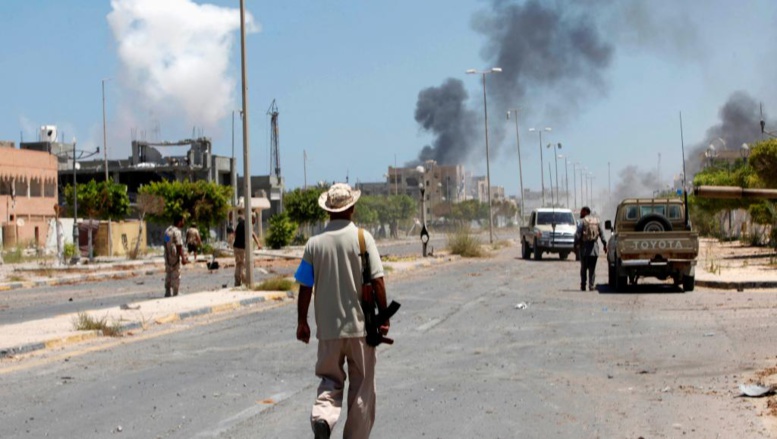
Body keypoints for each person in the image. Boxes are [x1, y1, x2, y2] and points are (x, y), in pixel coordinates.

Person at [295, 183, 390, 439]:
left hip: (328, 332)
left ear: (328, 211)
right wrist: (384, 317)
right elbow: (378, 281)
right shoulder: (363, 238)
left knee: (329, 382)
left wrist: (302, 322)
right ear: (352, 208)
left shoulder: (314, 244)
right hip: (360, 330)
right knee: (362, 390)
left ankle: (323, 419)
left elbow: (305, 287)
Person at [575, 206, 607, 291]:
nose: (580, 213)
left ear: (585, 212)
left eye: (582, 211)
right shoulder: (596, 221)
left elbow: (578, 234)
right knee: (592, 269)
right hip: (594, 250)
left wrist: (576, 244)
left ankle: (583, 285)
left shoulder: (581, 221)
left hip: (584, 249)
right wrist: (604, 244)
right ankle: (591, 285)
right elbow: (601, 233)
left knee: (583, 268)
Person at [232, 210, 261, 287]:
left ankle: (237, 282)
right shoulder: (248, 224)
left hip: (236, 247)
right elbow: (253, 235)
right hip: (242, 248)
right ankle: (246, 283)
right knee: (244, 265)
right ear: (252, 218)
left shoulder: (240, 223)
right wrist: (258, 244)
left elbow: (235, 233)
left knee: (238, 264)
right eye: (254, 220)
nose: (254, 221)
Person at [164, 215, 188, 297]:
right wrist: (183, 258)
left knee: (168, 273)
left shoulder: (168, 230)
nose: (183, 223)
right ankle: (175, 292)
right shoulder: (177, 232)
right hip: (175, 256)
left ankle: (167, 291)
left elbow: (165, 242)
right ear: (179, 221)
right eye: (183, 221)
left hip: (167, 255)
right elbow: (179, 246)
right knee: (176, 273)